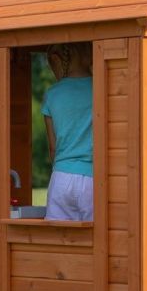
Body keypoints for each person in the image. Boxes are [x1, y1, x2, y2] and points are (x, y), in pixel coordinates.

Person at [42, 42, 94, 221]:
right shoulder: (100, 87)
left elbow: (52, 147)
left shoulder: (52, 94)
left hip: (60, 178)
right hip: (92, 179)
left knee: (57, 241)